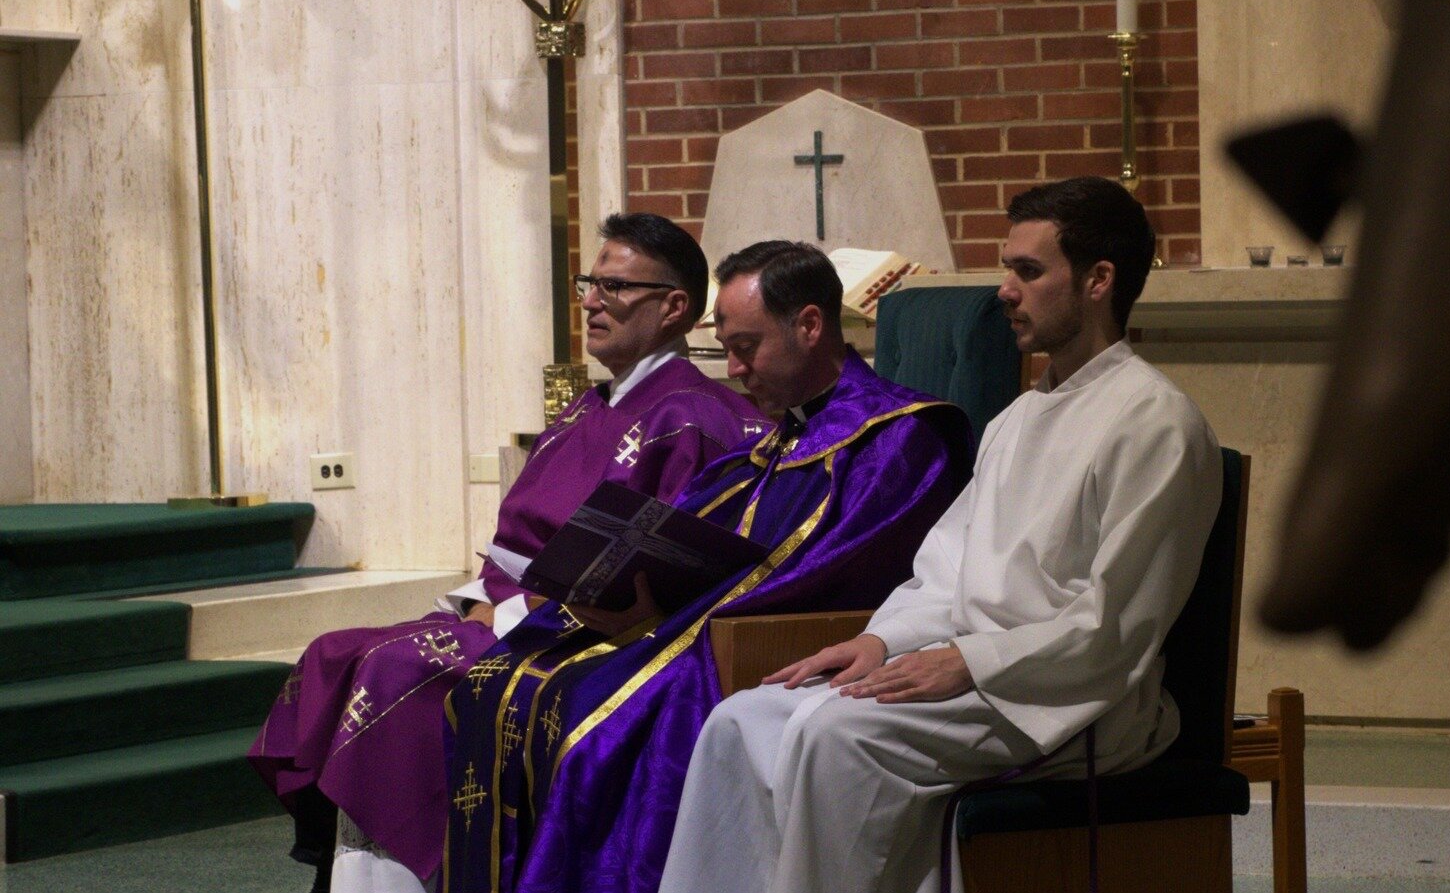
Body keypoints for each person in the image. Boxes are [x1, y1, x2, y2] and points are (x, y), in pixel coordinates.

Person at [658, 177, 1223, 893]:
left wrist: (972, 660)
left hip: (1071, 697)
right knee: (741, 723)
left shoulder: (1155, 423)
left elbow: (1112, 625)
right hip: (974, 672)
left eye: (1027, 270)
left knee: (837, 740)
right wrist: (881, 641)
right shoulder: (1019, 416)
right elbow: (948, 570)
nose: (1005, 292)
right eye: (1006, 269)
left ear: (1097, 280)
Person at [249, 214, 764, 893]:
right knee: (332, 651)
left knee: (390, 671)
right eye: (589, 283)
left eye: (614, 286)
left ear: (674, 306)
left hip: (585, 631)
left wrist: (515, 611)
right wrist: (481, 596)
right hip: (508, 607)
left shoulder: (694, 415)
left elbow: (646, 559)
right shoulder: (587, 407)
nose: (589, 302)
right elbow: (517, 537)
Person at [444, 240, 977, 893]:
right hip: (701, 628)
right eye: (726, 345)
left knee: (588, 730)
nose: (733, 367)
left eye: (747, 346)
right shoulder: (784, 438)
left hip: (768, 647)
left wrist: (666, 612)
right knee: (500, 682)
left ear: (809, 326)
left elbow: (829, 571)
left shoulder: (899, 438)